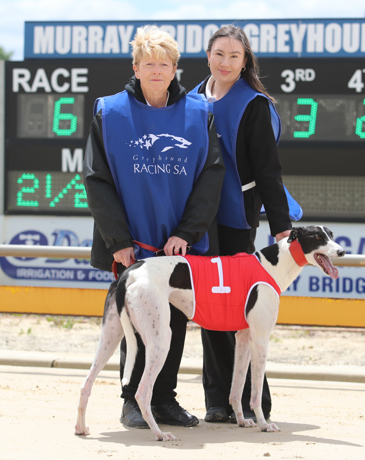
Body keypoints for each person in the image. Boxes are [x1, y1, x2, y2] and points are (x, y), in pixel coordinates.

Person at [84, 25, 224, 430]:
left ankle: (164, 399)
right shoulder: (108, 112)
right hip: (130, 241)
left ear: (176, 68)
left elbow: (211, 177)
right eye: (149, 64)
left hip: (179, 240)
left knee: (174, 320)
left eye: (164, 64)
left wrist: (187, 232)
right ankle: (132, 402)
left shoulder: (200, 112)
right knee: (135, 321)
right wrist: (118, 241)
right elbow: (97, 180)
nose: (157, 71)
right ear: (136, 67)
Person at [192, 25, 294, 424]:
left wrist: (281, 226)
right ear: (208, 56)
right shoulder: (192, 99)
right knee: (209, 309)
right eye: (220, 54)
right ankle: (217, 402)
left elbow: (269, 171)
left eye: (235, 56)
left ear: (245, 60)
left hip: (235, 220)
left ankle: (256, 403)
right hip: (196, 220)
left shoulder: (255, 104)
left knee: (237, 314)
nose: (226, 62)